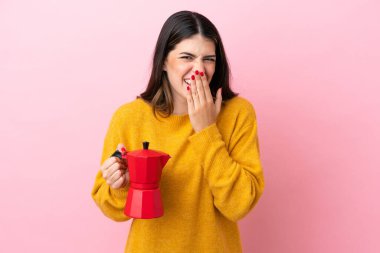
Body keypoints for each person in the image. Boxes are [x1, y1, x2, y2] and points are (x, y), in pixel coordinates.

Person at [91, 10, 265, 253]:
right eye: (187, 57)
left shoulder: (238, 113)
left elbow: (239, 205)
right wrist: (123, 185)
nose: (199, 70)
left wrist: (207, 130)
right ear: (164, 61)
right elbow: (112, 209)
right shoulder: (129, 118)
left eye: (209, 59)